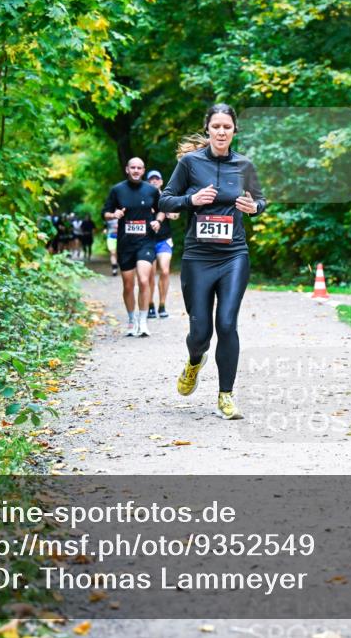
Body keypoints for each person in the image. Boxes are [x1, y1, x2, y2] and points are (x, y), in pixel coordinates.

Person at [158, 103, 266, 419]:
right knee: (200, 332)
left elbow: (260, 201)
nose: (221, 132)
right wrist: (190, 200)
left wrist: (254, 208)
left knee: (228, 323)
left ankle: (226, 396)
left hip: (234, 254)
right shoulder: (190, 163)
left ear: (234, 131)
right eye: (216, 126)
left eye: (227, 127)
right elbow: (165, 199)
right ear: (208, 128)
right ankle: (194, 360)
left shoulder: (244, 165)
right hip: (198, 257)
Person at [103, 157, 165, 337]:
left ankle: (144, 321)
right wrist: (113, 214)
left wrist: (158, 221)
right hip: (125, 243)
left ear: (143, 170)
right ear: (127, 169)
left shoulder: (152, 190)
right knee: (128, 285)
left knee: (144, 280)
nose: (136, 170)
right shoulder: (117, 190)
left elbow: (161, 209)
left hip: (146, 241)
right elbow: (105, 213)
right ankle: (132, 320)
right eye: (133, 167)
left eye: (139, 168)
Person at [146, 170, 177, 319]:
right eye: (150, 179)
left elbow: (176, 215)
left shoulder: (167, 197)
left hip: (164, 239)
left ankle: (162, 305)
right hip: (147, 240)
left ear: (161, 182)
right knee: (150, 274)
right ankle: (150, 304)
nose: (153, 181)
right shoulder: (143, 197)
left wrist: (171, 213)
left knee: (164, 271)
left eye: (156, 179)